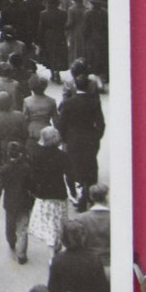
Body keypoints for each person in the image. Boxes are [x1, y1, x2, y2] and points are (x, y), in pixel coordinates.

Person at [47, 220, 110, 292]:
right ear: (83, 237)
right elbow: (103, 288)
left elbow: (53, 291)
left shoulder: (58, 260)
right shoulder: (94, 259)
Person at [57, 74, 105, 211]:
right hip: (90, 140)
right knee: (90, 167)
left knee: (73, 167)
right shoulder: (94, 102)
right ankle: (88, 195)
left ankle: (77, 196)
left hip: (73, 141)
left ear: (76, 86)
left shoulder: (68, 103)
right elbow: (101, 123)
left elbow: (61, 124)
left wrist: (65, 139)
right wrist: (97, 136)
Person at [28, 126, 70, 260]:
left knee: (48, 224)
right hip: (58, 193)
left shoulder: (37, 155)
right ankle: (56, 246)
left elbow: (33, 175)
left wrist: (33, 190)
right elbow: (69, 174)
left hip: (43, 194)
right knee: (57, 222)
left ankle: (52, 253)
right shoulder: (62, 156)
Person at [0, 140, 34, 264]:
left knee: (10, 225)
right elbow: (32, 186)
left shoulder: (4, 169)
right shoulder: (26, 168)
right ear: (20, 154)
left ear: (8, 154)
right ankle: (21, 254)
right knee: (23, 227)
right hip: (24, 202)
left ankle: (11, 241)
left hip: (9, 203)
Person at [77, 184, 111, 279]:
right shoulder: (114, 218)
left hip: (88, 266)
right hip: (109, 264)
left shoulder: (81, 218)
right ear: (106, 197)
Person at [0, 91, 28, 168]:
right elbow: (25, 133)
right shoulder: (20, 115)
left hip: (3, 148)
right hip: (19, 146)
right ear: (10, 103)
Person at [22, 75, 59, 155]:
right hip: (46, 131)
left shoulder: (27, 101)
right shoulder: (51, 101)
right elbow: (56, 120)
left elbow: (25, 119)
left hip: (32, 132)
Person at [37, 0, 69, 84]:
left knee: (50, 54)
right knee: (58, 54)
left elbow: (41, 28)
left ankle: (52, 73)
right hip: (59, 35)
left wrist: (39, 39)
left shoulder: (43, 14)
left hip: (48, 36)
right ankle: (57, 72)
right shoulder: (63, 13)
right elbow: (65, 25)